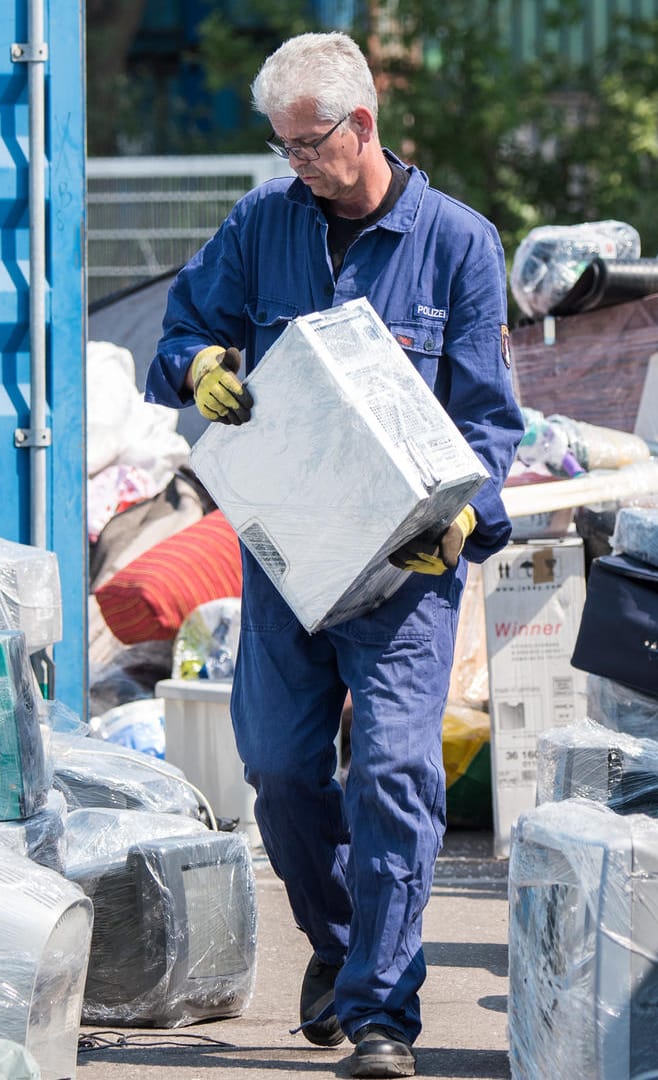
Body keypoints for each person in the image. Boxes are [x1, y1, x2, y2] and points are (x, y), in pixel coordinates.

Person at [144, 31, 523, 1080]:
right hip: (288, 555)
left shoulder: (457, 244)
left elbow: (490, 422)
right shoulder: (264, 226)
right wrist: (201, 367)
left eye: (309, 145)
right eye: (284, 148)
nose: (295, 165)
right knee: (277, 769)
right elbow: (180, 334)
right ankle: (346, 947)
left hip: (406, 565)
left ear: (362, 126)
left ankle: (380, 1021)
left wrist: (467, 518)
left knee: (396, 772)